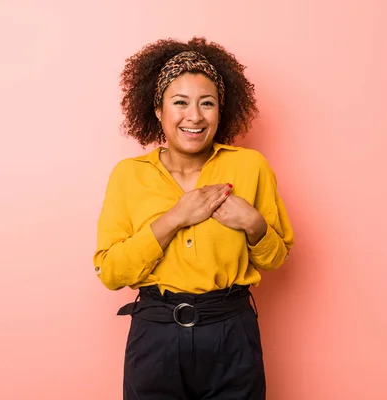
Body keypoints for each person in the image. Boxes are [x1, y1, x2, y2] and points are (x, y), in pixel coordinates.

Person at [93, 37, 294, 400]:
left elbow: (277, 257)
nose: (195, 116)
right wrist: (175, 217)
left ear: (221, 110)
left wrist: (254, 224)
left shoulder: (250, 167)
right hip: (155, 336)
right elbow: (110, 272)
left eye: (207, 103)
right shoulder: (128, 175)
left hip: (231, 332)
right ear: (158, 109)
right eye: (180, 102)